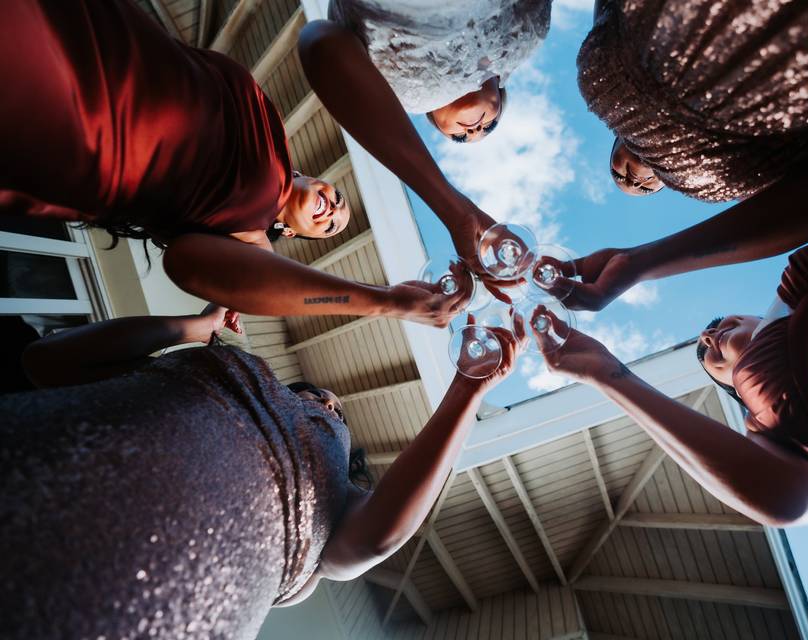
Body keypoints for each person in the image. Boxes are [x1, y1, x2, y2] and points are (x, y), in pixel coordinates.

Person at [531, 121, 808, 557]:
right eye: (709, 357)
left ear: (760, 317)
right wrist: (609, 375)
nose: (707, 336)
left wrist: (636, 263)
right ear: (745, 398)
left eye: (716, 324)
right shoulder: (783, 437)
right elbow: (793, 500)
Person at [1, 304, 522, 639]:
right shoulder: (202, 374)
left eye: (333, 415)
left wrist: (466, 390)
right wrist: (193, 328)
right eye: (315, 397)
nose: (326, 404)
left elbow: (378, 536)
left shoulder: (335, 506)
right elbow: (46, 361)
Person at [0, 0, 468, 327]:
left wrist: (384, 303)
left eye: (329, 226)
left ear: (295, 235)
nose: (332, 209)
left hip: (89, 128)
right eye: (338, 198)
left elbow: (190, 267)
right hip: (113, 34)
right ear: (321, 179)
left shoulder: (253, 236)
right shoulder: (274, 132)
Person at [561, 0, 808, 311]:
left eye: (621, 177)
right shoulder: (723, 179)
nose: (637, 180)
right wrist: (639, 262)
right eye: (646, 188)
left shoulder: (599, 78)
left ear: (612, 145)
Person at [323, 0, 550, 143]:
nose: (474, 130)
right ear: (500, 92)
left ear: (432, 115)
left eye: (459, 137)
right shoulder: (526, 33)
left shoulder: (392, 91)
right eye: (490, 125)